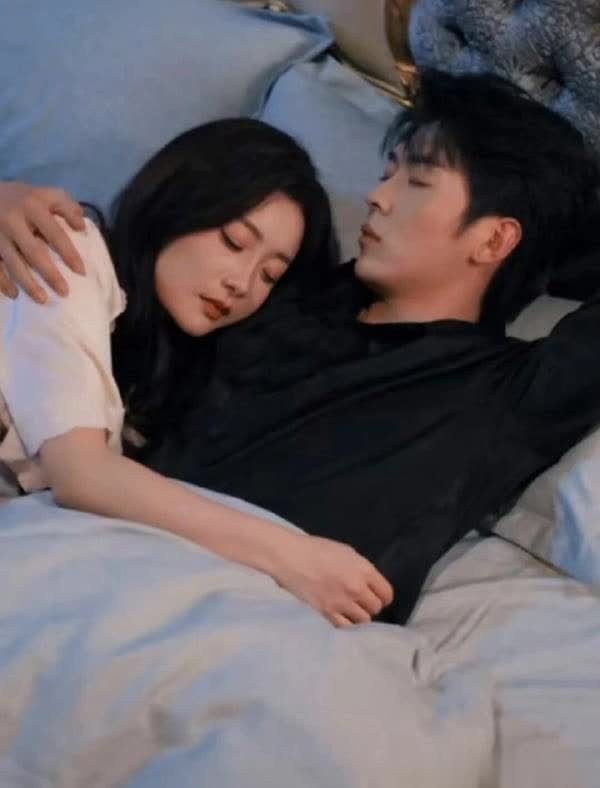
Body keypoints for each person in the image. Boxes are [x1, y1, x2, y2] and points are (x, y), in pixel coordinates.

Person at [3, 70, 600, 625]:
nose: (378, 196)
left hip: (259, 624)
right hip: (91, 547)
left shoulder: (507, 393)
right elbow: (142, 264)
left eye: (416, 181)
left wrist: (551, 233)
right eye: (387, 172)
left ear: (494, 238)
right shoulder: (285, 294)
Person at [0, 117, 395, 629]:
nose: (241, 283)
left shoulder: (153, 380)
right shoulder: (73, 255)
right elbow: (82, 475)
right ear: (177, 204)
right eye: (234, 241)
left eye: (270, 275)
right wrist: (294, 556)